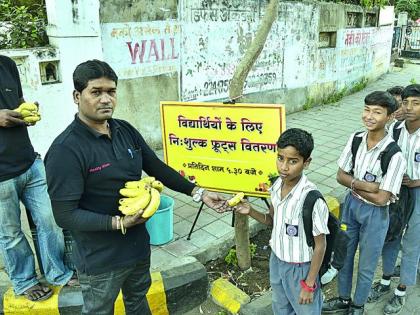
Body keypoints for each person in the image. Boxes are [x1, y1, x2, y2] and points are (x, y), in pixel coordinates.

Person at [44, 59, 228, 315]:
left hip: (138, 247)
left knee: (138, 303)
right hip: (100, 259)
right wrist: (118, 223)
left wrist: (199, 193)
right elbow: (64, 214)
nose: (106, 99)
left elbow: (156, 167)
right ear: (77, 96)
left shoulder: (125, 130)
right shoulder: (65, 150)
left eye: (111, 91)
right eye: (96, 92)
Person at [322, 91, 407, 315]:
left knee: (367, 264)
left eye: (377, 112)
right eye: (367, 110)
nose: (369, 116)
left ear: (389, 117)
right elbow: (340, 175)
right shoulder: (356, 139)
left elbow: (382, 198)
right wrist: (366, 185)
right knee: (344, 256)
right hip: (350, 206)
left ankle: (358, 306)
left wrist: (355, 184)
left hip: (376, 215)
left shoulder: (394, 155)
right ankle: (342, 299)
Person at [0, 55, 75, 301]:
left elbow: (18, 101)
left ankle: (57, 273)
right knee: (10, 233)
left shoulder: (7, 64)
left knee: (51, 219)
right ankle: (25, 281)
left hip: (29, 162)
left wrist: (27, 109)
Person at [234, 128, 329, 315]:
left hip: (301, 269)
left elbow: (320, 246)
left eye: (293, 161)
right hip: (277, 261)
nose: (284, 167)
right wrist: (250, 211)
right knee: (281, 308)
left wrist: (309, 283)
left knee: (305, 310)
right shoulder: (276, 185)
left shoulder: (311, 199)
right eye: (280, 158)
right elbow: (272, 221)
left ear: (306, 162)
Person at [369, 84, 420, 315]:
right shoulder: (396, 129)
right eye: (406, 102)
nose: (409, 108)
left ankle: (401, 291)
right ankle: (386, 280)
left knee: (411, 242)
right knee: (390, 236)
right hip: (395, 192)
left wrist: (417, 181)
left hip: (417, 193)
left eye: (416, 103)